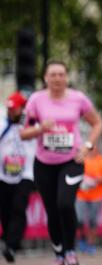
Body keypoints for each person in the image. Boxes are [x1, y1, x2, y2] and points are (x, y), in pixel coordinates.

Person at [21, 61, 102, 265]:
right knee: (52, 209)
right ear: (45, 78)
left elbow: (97, 123)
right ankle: (58, 251)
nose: (57, 78)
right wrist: (41, 128)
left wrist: (88, 145)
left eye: (61, 74)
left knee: (65, 204)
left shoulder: (78, 99)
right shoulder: (36, 100)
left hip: (72, 161)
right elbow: (24, 132)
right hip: (44, 164)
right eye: (53, 74)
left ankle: (70, 252)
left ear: (66, 77)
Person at [0, 92, 36, 263]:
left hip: (26, 174)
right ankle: (9, 240)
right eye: (9, 108)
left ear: (22, 108)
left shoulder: (31, 123)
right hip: (3, 175)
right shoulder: (2, 123)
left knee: (18, 208)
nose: (11, 111)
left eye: (14, 108)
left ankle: (12, 246)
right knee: (5, 210)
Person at [75, 143, 102, 255]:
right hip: (81, 195)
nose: (91, 151)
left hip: (97, 196)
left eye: (93, 149)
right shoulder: (81, 159)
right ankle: (82, 239)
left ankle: (90, 244)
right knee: (79, 219)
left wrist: (97, 180)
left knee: (92, 220)